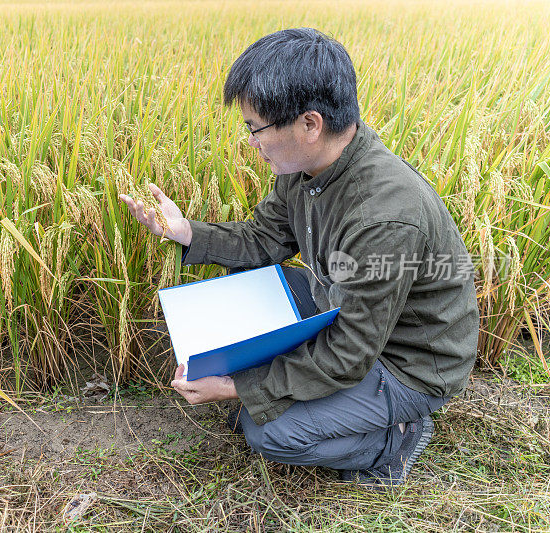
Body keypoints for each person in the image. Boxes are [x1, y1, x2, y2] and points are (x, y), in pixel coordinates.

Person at [118, 28, 478, 488]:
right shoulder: (308, 165)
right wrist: (185, 231)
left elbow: (350, 353)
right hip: (344, 305)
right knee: (250, 307)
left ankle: (395, 440)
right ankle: (327, 405)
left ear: (310, 124)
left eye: (255, 128)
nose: (251, 142)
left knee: (270, 430)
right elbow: (265, 238)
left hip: (407, 362)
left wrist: (235, 389)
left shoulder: (382, 218)